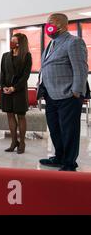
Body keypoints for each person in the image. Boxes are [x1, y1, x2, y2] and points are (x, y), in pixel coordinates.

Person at [38, 13, 89, 172]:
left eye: (52, 22)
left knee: (69, 131)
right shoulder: (50, 44)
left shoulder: (74, 42)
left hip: (68, 95)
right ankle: (59, 157)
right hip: (51, 95)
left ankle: (69, 163)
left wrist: (76, 92)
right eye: (47, 23)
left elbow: (81, 69)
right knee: (55, 129)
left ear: (63, 24)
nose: (48, 26)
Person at [0, 33, 32, 154]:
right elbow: (2, 73)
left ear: (20, 43)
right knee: (10, 115)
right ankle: (14, 142)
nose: (11, 42)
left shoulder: (27, 56)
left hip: (19, 91)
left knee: (21, 116)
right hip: (6, 91)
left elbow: (25, 76)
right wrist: (3, 87)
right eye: (11, 40)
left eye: (14, 40)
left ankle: (22, 142)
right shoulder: (5, 56)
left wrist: (14, 88)